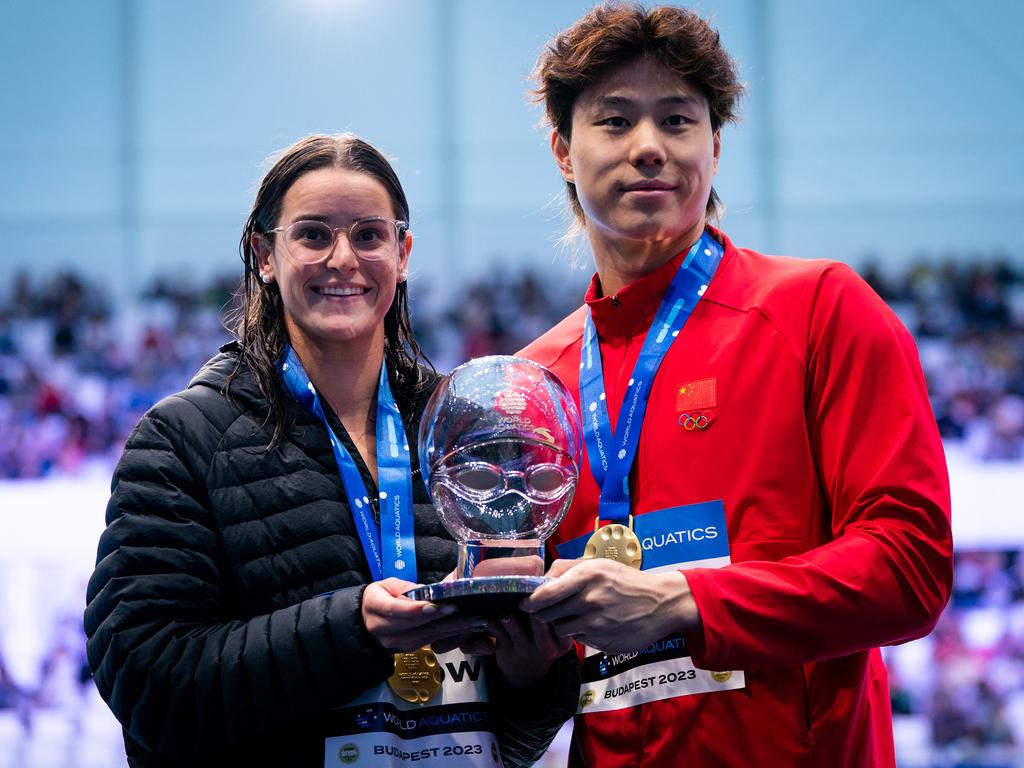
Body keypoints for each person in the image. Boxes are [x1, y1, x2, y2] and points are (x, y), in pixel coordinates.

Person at [517, 4, 954, 766]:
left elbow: (910, 565)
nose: (648, 147)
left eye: (678, 121)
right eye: (615, 122)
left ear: (714, 148)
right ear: (563, 149)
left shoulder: (819, 309)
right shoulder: (534, 383)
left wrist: (686, 602)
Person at [84, 133, 577, 768]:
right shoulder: (186, 439)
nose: (343, 258)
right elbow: (150, 685)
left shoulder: (464, 430)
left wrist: (533, 673)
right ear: (266, 254)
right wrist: (356, 629)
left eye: (369, 236)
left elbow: (512, 735)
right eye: (313, 235)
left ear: (403, 254)